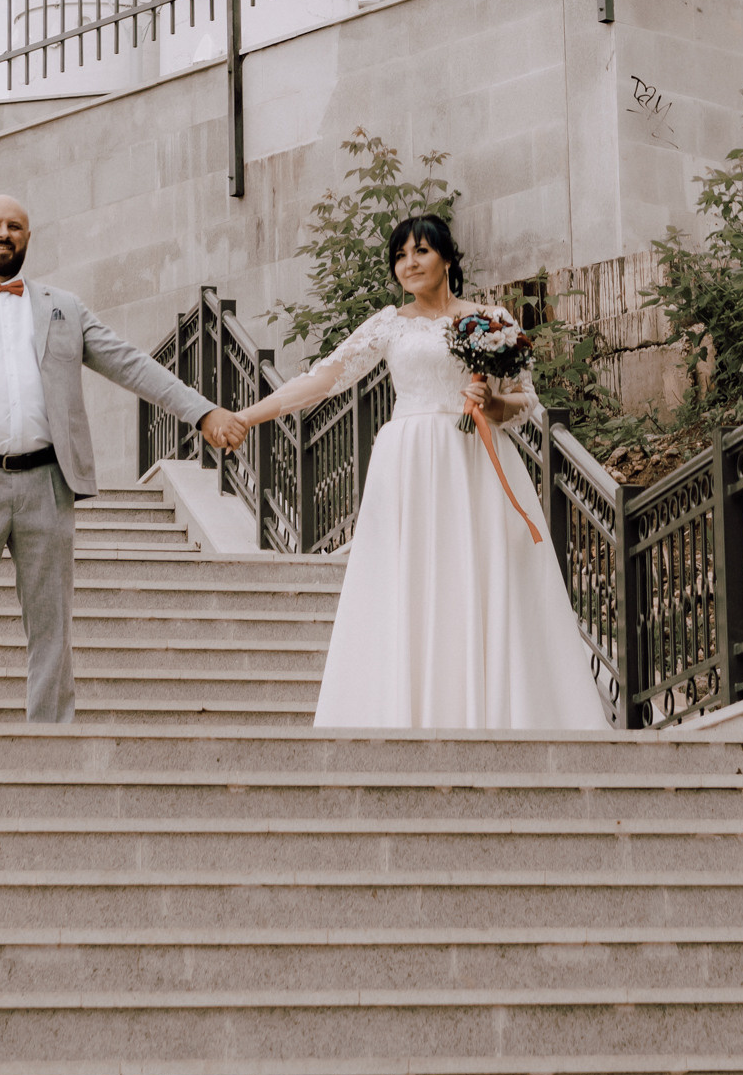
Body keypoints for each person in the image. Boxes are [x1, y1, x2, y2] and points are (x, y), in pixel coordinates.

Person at [206, 209, 610, 730]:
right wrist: (247, 415)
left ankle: (491, 714)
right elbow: (323, 379)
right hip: (408, 465)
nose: (409, 263)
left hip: (475, 465)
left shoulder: (492, 321)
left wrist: (491, 405)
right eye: (400, 255)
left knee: (481, 576)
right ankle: (411, 712)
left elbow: (524, 402)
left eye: (420, 251)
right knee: (409, 582)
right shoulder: (388, 324)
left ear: (446, 257)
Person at [0, 191, 229, 726]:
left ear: (28, 237)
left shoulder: (63, 307)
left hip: (47, 482)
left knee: (52, 626)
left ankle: (50, 744)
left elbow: (129, 364)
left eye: (16, 226)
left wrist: (202, 412)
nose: (5, 233)